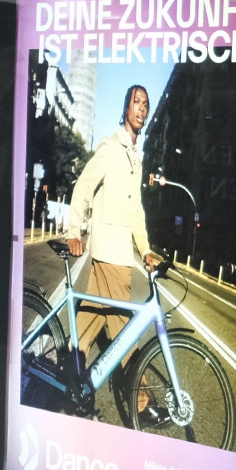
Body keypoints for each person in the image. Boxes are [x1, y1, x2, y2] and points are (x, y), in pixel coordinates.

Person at [66, 85, 163, 359]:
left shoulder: (136, 158)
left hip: (116, 253)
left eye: (146, 104)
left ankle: (69, 365)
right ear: (126, 109)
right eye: (137, 102)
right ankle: (137, 385)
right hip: (112, 256)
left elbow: (135, 210)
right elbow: (84, 185)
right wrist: (74, 232)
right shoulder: (111, 147)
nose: (142, 108)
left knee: (91, 317)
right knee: (124, 332)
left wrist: (145, 249)